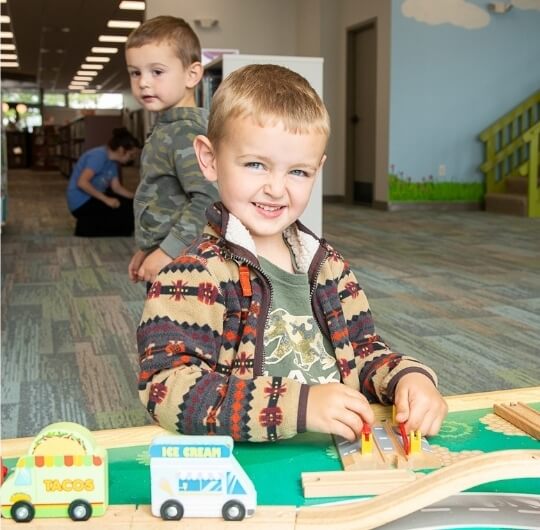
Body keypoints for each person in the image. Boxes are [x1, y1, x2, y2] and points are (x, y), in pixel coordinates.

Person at [137, 64, 448, 443]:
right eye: (255, 164)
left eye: (298, 172)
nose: (276, 188)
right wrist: (298, 406)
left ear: (319, 169)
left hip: (336, 454)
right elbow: (166, 387)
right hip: (252, 466)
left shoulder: (328, 266)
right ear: (209, 158)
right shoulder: (191, 277)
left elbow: (363, 351)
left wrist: (410, 377)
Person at [125, 16, 219, 284]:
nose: (143, 82)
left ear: (192, 74)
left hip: (184, 263)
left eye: (156, 72)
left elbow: (210, 199)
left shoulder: (184, 132)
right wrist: (148, 248)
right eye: (135, 72)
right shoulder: (169, 128)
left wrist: (166, 251)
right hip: (170, 254)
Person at [66, 127, 139, 237]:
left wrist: (137, 198)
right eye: (131, 155)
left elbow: (117, 188)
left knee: (129, 206)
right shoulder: (98, 156)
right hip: (81, 201)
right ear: (121, 150)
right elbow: (82, 183)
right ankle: (86, 226)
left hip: (94, 197)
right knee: (123, 221)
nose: (132, 158)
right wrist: (107, 200)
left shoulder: (113, 163)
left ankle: (92, 224)